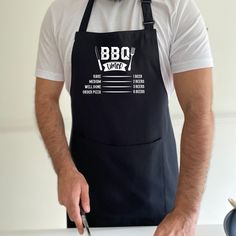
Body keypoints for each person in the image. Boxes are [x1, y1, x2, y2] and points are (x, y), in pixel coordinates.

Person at [34, 0, 214, 235]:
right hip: (87, 200)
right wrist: (64, 170)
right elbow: (45, 99)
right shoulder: (61, 13)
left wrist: (187, 210)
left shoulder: (176, 9)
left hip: (159, 198)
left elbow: (198, 110)